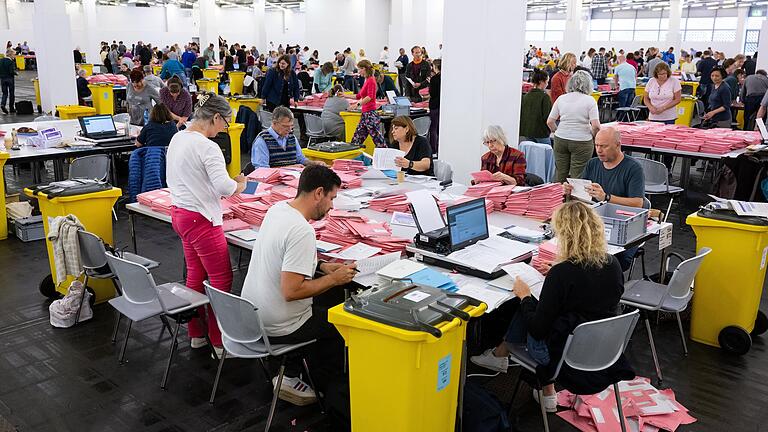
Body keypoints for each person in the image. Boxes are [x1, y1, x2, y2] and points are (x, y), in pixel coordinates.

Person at [470, 200, 624, 411]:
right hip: (602, 348)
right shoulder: (612, 263)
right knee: (540, 305)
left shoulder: (561, 274)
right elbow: (586, 285)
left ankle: (511, 361)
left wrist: (524, 296)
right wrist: (558, 269)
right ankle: (501, 354)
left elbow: (537, 329)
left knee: (529, 303)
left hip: (563, 356)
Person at [241, 164, 355, 403]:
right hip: (277, 324)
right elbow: (291, 291)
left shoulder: (277, 209)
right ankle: (322, 391)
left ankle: (291, 371)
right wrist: (334, 279)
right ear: (318, 193)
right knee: (338, 324)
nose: (332, 206)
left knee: (322, 298)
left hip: (250, 315)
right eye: (332, 198)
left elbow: (284, 259)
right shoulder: (302, 231)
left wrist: (321, 267)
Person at [167, 93, 247, 356]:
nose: (225, 128)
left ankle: (196, 334)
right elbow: (224, 186)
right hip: (201, 218)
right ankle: (218, 341)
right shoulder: (207, 146)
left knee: (195, 274)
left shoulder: (178, 137)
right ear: (215, 117)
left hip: (181, 214)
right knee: (221, 279)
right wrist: (240, 185)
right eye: (225, 122)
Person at [563, 127, 644, 270]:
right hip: (594, 222)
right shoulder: (593, 163)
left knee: (607, 261)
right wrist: (571, 191)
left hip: (621, 226)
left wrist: (606, 197)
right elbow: (583, 196)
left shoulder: (633, 168)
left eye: (604, 146)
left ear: (618, 145)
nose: (599, 150)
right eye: (596, 145)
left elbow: (638, 203)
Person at [547, 70, 600, 182]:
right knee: (578, 176)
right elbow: (596, 126)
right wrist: (594, 137)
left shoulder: (561, 98)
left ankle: (559, 198)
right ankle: (574, 199)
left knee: (560, 174)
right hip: (582, 141)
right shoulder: (590, 101)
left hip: (561, 139)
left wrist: (557, 131)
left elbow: (550, 121)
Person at [348, 60, 387, 148]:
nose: (359, 71)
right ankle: (353, 158)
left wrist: (357, 105)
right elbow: (358, 96)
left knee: (379, 141)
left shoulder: (371, 81)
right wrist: (344, 95)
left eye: (360, 69)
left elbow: (370, 97)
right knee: (356, 140)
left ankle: (386, 157)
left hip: (370, 115)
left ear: (364, 69)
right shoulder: (367, 81)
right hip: (365, 114)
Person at [519, 69, 552, 145]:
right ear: (541, 82)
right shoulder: (545, 97)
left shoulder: (526, 96)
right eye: (546, 82)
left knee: (532, 154)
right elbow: (547, 117)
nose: (547, 84)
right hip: (541, 133)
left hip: (527, 131)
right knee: (546, 154)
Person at [427, 59, 441, 154]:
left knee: (433, 128)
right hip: (442, 105)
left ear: (435, 67)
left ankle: (433, 149)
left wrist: (430, 83)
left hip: (435, 105)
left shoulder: (434, 78)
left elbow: (432, 93)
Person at [0, 49, 15, 114]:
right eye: (14, 54)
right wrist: (15, 73)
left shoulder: (1, 61)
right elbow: (11, 71)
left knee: (4, 93)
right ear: (11, 54)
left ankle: (3, 104)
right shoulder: (11, 62)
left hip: (2, 79)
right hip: (10, 79)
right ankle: (11, 108)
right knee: (11, 94)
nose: (14, 56)